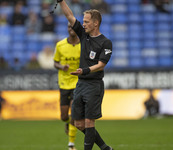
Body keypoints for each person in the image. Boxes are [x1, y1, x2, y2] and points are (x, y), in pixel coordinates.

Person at [55, 1, 113, 150]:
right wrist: (61, 1)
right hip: (80, 84)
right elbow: (69, 16)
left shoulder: (106, 42)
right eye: (84, 21)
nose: (84, 24)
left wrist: (84, 70)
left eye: (87, 22)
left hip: (94, 85)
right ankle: (105, 148)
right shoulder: (83, 35)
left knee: (89, 122)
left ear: (95, 23)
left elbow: (101, 65)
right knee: (79, 124)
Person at [54, 22, 80, 150]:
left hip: (78, 83)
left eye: (73, 27)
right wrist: (61, 67)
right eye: (69, 27)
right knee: (64, 116)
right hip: (64, 83)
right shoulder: (60, 45)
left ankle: (71, 145)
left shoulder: (83, 45)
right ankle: (68, 123)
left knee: (74, 113)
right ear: (67, 29)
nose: (71, 29)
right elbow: (55, 63)